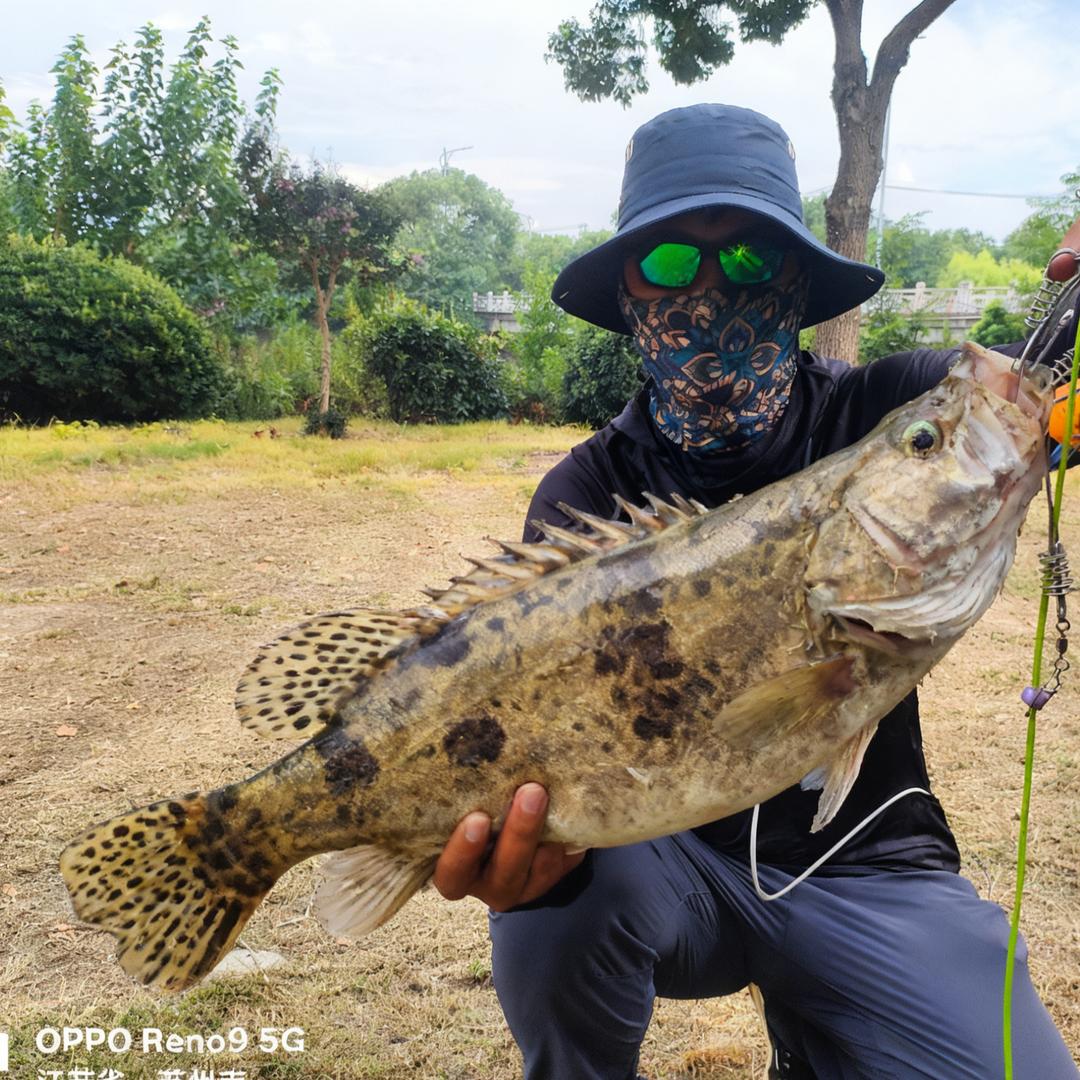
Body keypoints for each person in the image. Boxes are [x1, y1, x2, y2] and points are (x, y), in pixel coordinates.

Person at [431, 104, 1079, 1079]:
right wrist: (521, 864)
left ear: (793, 287)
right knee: (550, 915)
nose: (703, 295)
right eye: (665, 266)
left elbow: (1038, 396)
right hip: (655, 861)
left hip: (868, 861)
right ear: (627, 298)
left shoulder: (889, 411)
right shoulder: (586, 493)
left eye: (742, 265)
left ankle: (821, 1037)